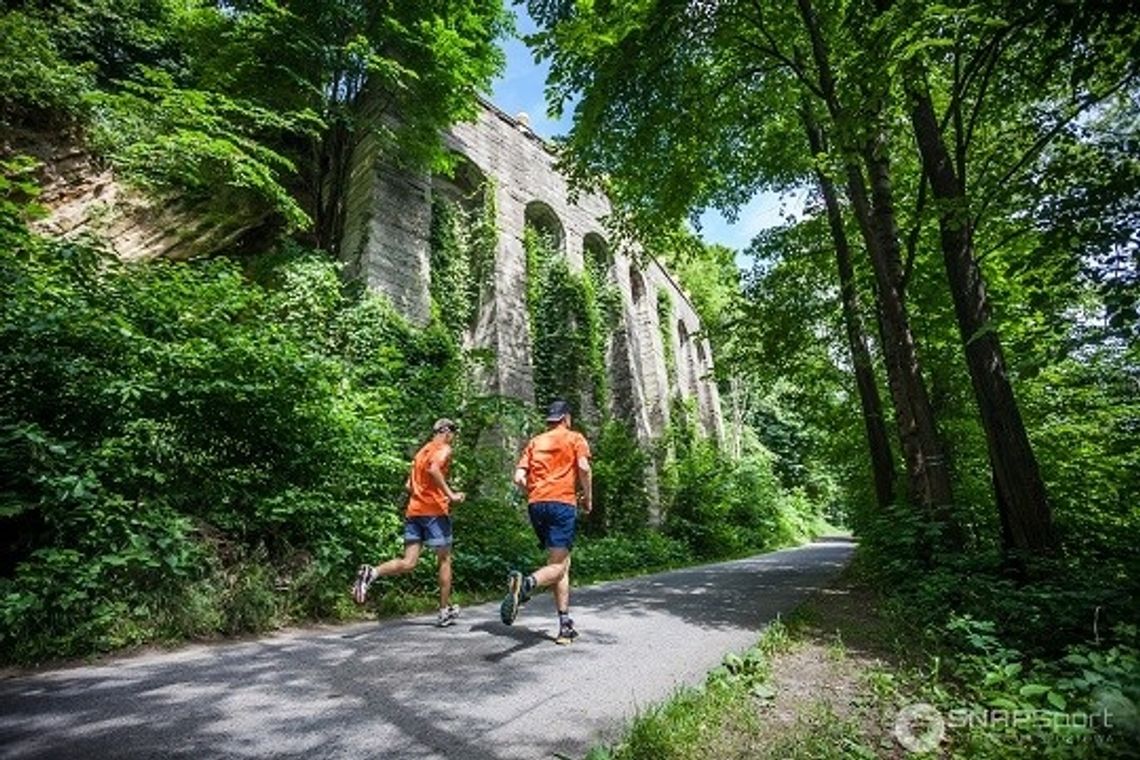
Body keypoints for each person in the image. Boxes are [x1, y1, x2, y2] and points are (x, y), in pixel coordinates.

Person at [352, 418, 466, 627]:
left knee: (409, 562)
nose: (453, 439)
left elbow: (408, 485)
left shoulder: (421, 452)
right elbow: (434, 470)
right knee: (444, 560)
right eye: (453, 435)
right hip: (435, 512)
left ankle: (373, 573)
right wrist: (450, 495)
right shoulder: (444, 448)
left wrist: (423, 494)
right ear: (447, 432)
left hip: (414, 512)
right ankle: (443, 611)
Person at [500, 399, 592, 644]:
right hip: (562, 504)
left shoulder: (535, 442)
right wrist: (588, 499)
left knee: (559, 564)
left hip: (536, 505)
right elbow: (583, 467)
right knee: (558, 567)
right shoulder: (575, 438)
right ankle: (526, 585)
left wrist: (538, 490)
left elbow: (519, 477)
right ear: (566, 419)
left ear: (550, 420)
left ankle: (565, 625)